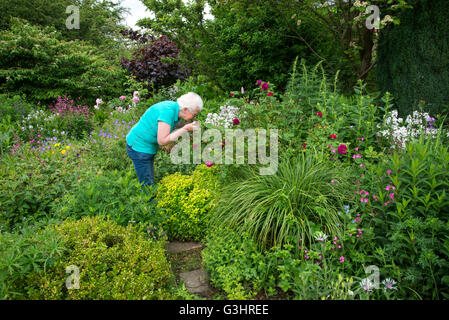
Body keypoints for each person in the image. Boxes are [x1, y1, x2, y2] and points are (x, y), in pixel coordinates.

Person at [126, 92, 203, 189]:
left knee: (148, 177)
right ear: (186, 109)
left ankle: (149, 198)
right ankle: (147, 203)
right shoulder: (167, 112)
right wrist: (185, 129)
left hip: (147, 146)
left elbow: (170, 129)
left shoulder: (173, 109)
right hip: (139, 147)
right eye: (194, 114)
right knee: (147, 184)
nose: (195, 117)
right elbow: (162, 141)